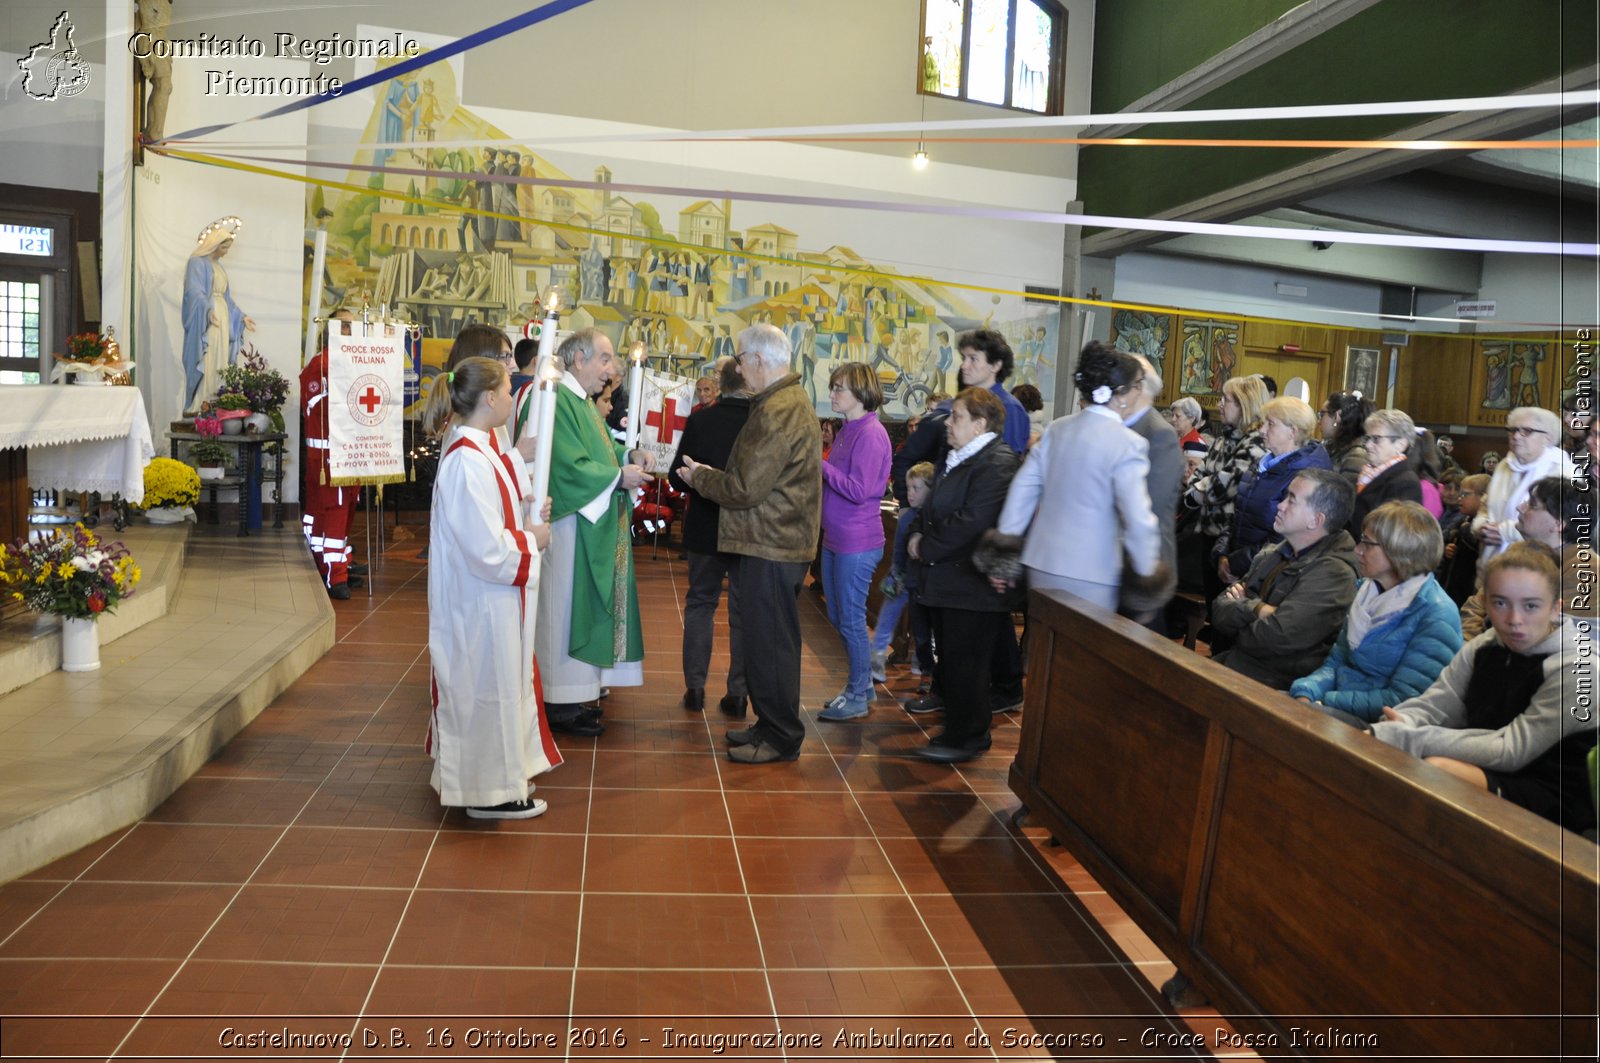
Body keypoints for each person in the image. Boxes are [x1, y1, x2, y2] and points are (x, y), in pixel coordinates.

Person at [1371, 542, 1598, 836]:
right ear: (1486, 602)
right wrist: (1404, 721)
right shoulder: (1486, 646)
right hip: (1485, 760)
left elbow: (1511, 749)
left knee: (1437, 770)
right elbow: (1438, 704)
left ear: (1556, 608)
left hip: (1550, 790)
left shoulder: (1579, 668)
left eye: (1531, 606)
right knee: (1386, 752)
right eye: (1500, 603)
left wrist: (1407, 738)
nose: (1514, 619)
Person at [422, 355, 559, 820]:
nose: (510, 394)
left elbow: (502, 509)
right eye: (506, 387)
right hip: (479, 601)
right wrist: (531, 539)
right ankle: (489, 792)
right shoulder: (466, 461)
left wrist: (528, 509)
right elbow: (485, 548)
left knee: (498, 688)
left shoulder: (484, 449)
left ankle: (499, 780)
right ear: (489, 398)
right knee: (484, 690)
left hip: (496, 599)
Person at [678, 324, 822, 764]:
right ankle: (767, 723)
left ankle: (781, 736)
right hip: (768, 539)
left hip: (773, 543)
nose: (738, 369)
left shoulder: (779, 409)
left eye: (741, 360)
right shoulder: (779, 402)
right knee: (763, 641)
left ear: (759, 360)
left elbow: (745, 488)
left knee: (773, 645)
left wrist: (699, 476)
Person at [536, 329, 653, 738]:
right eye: (605, 359)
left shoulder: (581, 402)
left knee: (578, 608)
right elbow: (567, 466)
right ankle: (557, 700)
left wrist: (627, 455)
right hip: (570, 525)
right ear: (578, 359)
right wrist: (619, 477)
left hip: (590, 521)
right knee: (565, 608)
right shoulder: (556, 401)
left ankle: (575, 695)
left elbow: (599, 452)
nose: (612, 370)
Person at [996, 343, 1162, 611]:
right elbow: (1138, 517)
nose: (1139, 393)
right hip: (1092, 571)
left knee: (1042, 645)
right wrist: (1146, 575)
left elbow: (1023, 488)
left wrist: (1003, 547)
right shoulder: (1128, 443)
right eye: (1137, 386)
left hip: (1042, 562)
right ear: (1119, 394)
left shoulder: (1058, 429)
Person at [909, 387, 1021, 763]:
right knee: (954, 662)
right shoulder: (960, 456)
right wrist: (916, 533)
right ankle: (958, 730)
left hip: (971, 584)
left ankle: (968, 737)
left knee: (967, 664)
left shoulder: (998, 462)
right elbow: (932, 508)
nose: (948, 424)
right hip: (948, 580)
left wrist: (926, 545)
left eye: (956, 416)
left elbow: (973, 522)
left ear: (980, 423)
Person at [1290, 501, 1462, 727]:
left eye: (1367, 543)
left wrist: (1325, 701)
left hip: (1379, 725)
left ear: (1400, 550)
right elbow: (1337, 660)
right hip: (1338, 705)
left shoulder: (1436, 613)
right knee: (1271, 709)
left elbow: (1403, 699)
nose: (1357, 550)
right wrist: (1307, 690)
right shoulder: (1367, 590)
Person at [1210, 468, 1359, 690]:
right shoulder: (1277, 551)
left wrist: (1244, 606)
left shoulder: (1335, 574)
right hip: (1237, 665)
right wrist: (1260, 610)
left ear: (1315, 520)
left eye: (1291, 500)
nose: (1280, 505)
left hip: (1273, 685)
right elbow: (1219, 608)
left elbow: (1275, 638)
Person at [668, 357, 751, 717]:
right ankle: (738, 694)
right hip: (748, 528)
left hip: (704, 524)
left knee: (701, 604)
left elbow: (675, 476)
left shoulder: (701, 419)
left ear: (722, 385)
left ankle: (695, 688)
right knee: (742, 613)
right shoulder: (760, 421)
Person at [816, 363, 893, 722]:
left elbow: (859, 490)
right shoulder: (848, 429)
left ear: (861, 393)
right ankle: (862, 685)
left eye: (838, 389)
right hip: (837, 536)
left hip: (857, 540)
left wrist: (821, 465)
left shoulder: (871, 434)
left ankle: (857, 694)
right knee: (838, 615)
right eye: (832, 388)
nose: (832, 394)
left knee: (850, 619)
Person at [1459, 476, 1598, 640]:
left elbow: (1548, 636)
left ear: (1559, 524)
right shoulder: (1521, 552)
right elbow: (1476, 606)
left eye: (1532, 505)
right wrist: (1467, 646)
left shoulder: (1586, 571)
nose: (1520, 508)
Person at [1214, 396, 1331, 582]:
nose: (1261, 430)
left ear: (1293, 431)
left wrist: (1237, 563)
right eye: (1263, 423)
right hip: (1236, 564)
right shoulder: (1264, 463)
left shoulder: (1307, 474)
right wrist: (1222, 552)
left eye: (1270, 424)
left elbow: (1285, 537)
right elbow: (1237, 511)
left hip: (1266, 574)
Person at [1179, 375, 1267, 600]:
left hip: (1228, 537)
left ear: (1244, 405)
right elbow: (1202, 470)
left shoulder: (1255, 442)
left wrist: (1197, 493)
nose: (1219, 404)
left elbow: (1224, 483)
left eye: (1226, 400)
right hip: (1208, 529)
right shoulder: (1222, 439)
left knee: (1220, 602)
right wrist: (1197, 487)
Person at [300, 310, 366, 600]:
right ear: (336, 331)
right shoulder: (323, 365)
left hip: (346, 450)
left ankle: (335, 561)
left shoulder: (344, 362)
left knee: (340, 511)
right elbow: (322, 406)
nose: (356, 332)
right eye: (350, 326)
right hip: (330, 453)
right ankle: (333, 574)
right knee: (334, 514)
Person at [1118, 356, 1183, 626]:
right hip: (1118, 561)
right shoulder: (1124, 427)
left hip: (1145, 569)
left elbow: (1149, 509)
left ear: (1139, 387)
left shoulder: (1159, 435)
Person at [1474, 407, 1575, 566]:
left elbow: (1561, 524)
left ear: (1547, 438)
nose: (1516, 436)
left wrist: (1507, 532)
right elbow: (1487, 504)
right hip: (1490, 560)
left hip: (1534, 565)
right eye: (1513, 430)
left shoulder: (1564, 471)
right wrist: (1481, 526)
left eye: (1526, 431)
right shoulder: (1504, 466)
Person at [181, 216, 255, 413]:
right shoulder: (196, 263)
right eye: (224, 248)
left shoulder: (219, 267)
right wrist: (207, 310)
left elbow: (227, 299)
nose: (226, 252)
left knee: (220, 358)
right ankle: (200, 402)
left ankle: (216, 401)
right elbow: (193, 291)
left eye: (227, 248)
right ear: (213, 245)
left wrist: (241, 316)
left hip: (222, 314)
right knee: (208, 356)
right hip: (209, 317)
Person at [870, 462, 935, 685]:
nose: (910, 493)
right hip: (903, 575)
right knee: (888, 616)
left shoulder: (933, 515)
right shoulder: (906, 514)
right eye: (908, 488)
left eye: (916, 488)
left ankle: (921, 661)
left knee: (922, 624)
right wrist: (896, 570)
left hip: (923, 580)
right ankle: (876, 658)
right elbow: (898, 548)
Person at [1348, 408, 1424, 536]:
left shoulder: (1405, 483)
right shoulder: (1369, 473)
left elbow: (1392, 536)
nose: (1368, 445)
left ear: (1400, 444)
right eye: (1367, 438)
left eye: (1376, 439)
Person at [954, 329, 1029, 453]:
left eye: (973, 359)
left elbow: (1006, 462)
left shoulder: (1008, 407)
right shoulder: (966, 401)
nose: (964, 365)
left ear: (996, 365)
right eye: (964, 358)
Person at [1439, 473, 1488, 606]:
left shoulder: (1486, 527)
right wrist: (1448, 551)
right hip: (1453, 587)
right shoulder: (1464, 519)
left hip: (1467, 590)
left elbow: (1476, 547)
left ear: (1484, 497)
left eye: (1465, 494)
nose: (1460, 498)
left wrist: (1465, 531)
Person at [1320, 392, 1373, 486]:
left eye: (1322, 414)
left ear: (1337, 416)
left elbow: (1345, 497)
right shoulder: (1336, 447)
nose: (1319, 421)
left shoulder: (1356, 456)